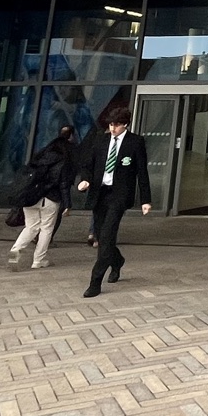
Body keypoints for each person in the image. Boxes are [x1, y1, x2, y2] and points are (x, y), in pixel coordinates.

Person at [74, 105, 151, 298]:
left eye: (116, 125)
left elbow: (142, 172)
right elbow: (88, 164)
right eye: (110, 125)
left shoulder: (135, 142)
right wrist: (85, 179)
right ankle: (117, 261)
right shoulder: (101, 140)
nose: (112, 128)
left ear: (125, 124)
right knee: (102, 237)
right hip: (100, 193)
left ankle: (95, 282)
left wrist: (145, 199)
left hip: (119, 195)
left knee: (107, 235)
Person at [7, 125, 75, 271]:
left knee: (31, 227)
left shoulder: (40, 155)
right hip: (50, 197)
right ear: (70, 138)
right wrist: (67, 204)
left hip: (30, 196)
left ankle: (16, 249)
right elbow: (63, 183)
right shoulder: (65, 159)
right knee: (46, 229)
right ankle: (39, 260)